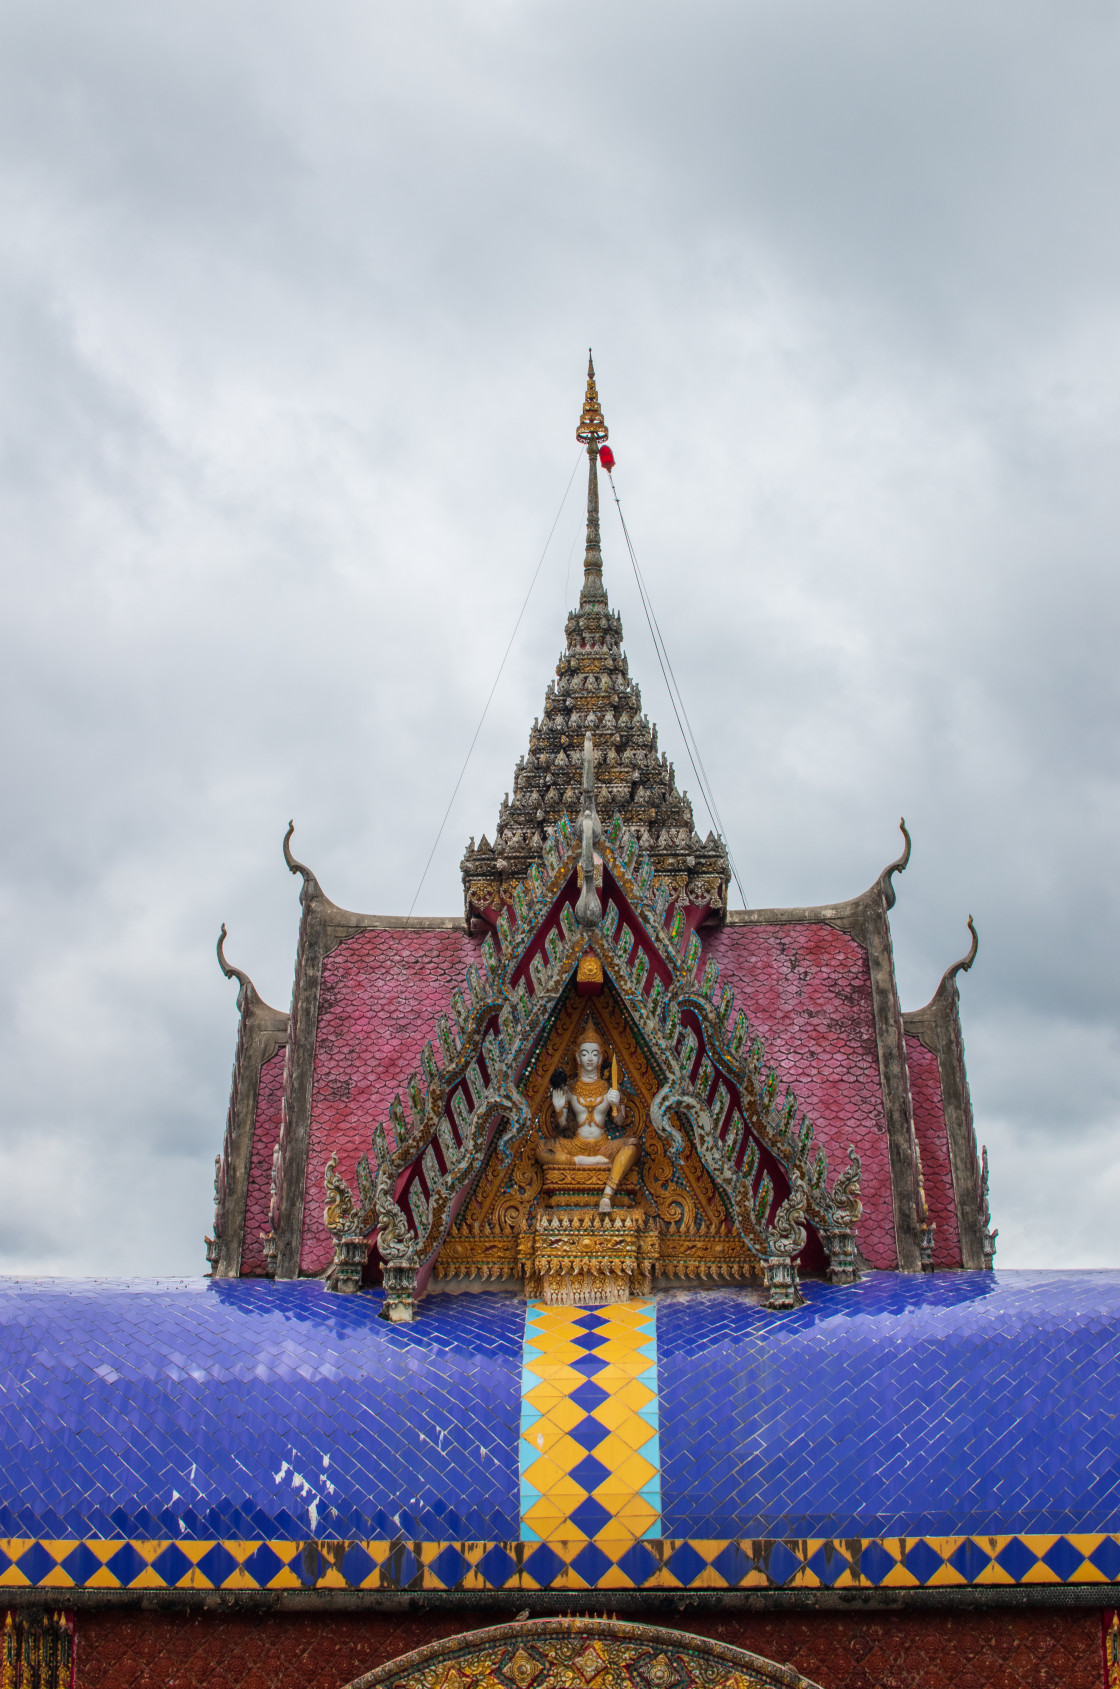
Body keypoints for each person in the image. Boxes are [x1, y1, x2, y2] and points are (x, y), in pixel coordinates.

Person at [536, 1029, 638, 1212]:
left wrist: (616, 1103)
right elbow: (564, 1127)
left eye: (594, 1053)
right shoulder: (569, 1089)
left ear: (600, 1058)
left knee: (633, 1146)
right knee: (541, 1149)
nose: (589, 1058)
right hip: (577, 1147)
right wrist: (559, 1109)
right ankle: (582, 1161)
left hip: (603, 1146)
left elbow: (620, 1122)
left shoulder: (610, 1089)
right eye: (585, 1053)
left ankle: (607, 1195)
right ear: (578, 1057)